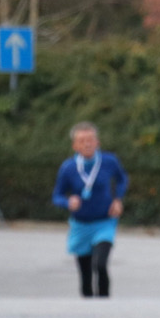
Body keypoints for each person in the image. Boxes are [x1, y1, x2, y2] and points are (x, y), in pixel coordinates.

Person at [52, 122, 128, 298]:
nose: (87, 144)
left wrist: (118, 199)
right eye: (82, 140)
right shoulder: (68, 168)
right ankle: (87, 310)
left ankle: (104, 302)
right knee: (85, 274)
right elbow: (57, 195)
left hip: (105, 222)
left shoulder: (109, 161)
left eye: (90, 139)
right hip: (80, 225)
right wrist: (67, 202)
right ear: (75, 145)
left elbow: (122, 179)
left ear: (97, 142)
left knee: (100, 265)